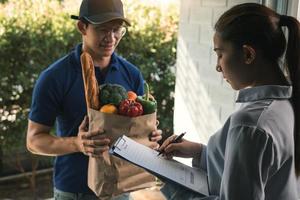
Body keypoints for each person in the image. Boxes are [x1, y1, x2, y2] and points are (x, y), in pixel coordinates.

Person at [159, 3, 300, 200]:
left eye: (220, 54)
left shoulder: (251, 124)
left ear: (248, 54)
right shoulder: (287, 105)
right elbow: (261, 169)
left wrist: (178, 191)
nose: (218, 66)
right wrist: (200, 152)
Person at [26, 0, 162, 199]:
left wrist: (149, 137)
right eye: (103, 29)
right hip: (74, 190)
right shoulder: (54, 77)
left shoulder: (131, 74)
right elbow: (34, 140)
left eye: (117, 30)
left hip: (120, 187)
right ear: (82, 26)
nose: (111, 38)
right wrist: (77, 144)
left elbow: (136, 129)